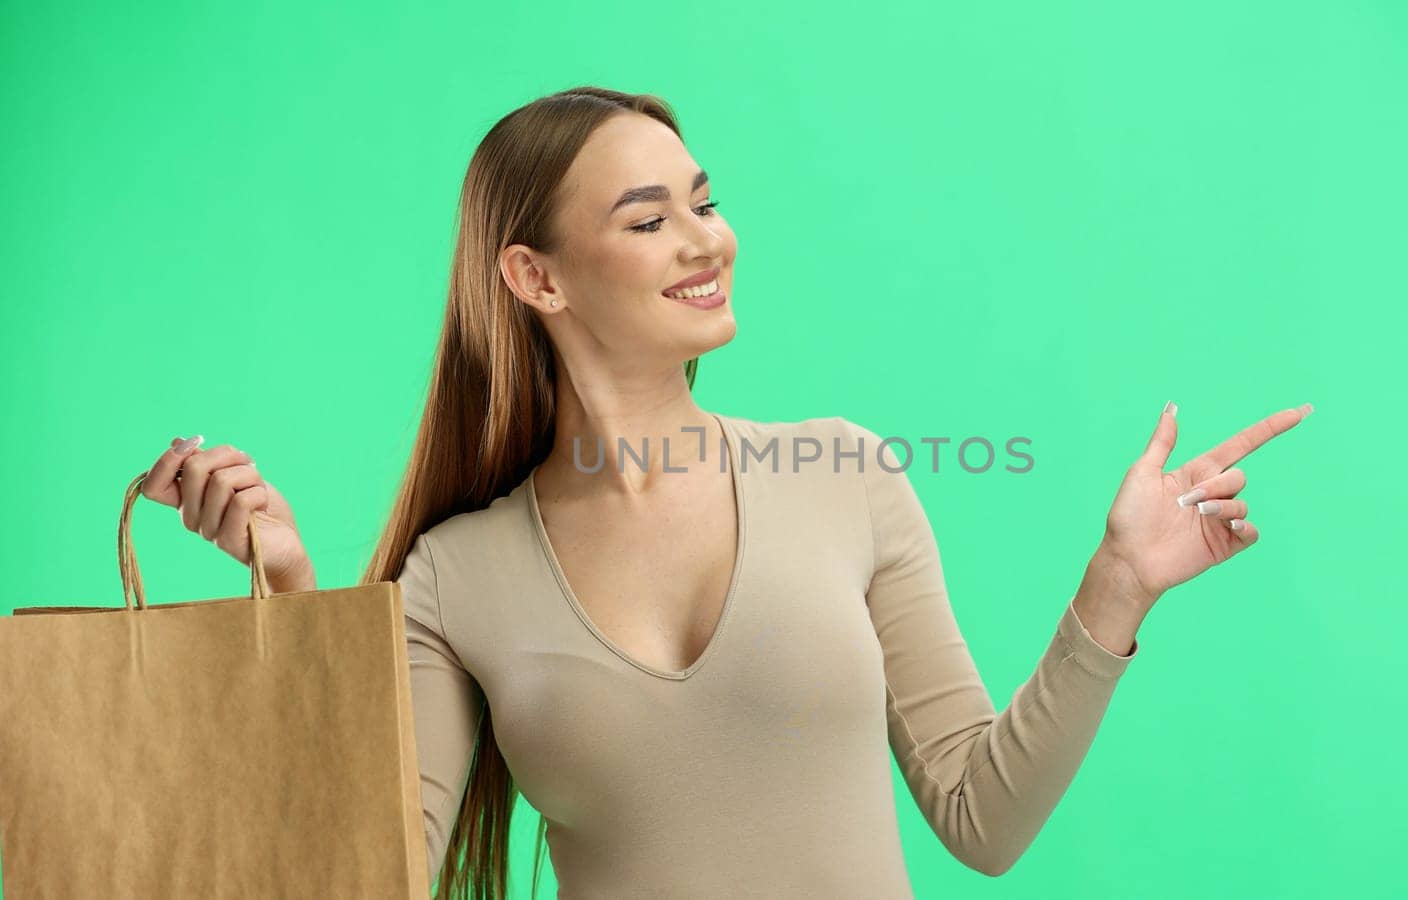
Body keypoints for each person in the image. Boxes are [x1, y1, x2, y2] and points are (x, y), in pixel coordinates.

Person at [137, 86, 1313, 899]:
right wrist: (292, 599)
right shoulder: (458, 571)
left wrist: (1117, 588)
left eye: (703, 201)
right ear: (533, 275)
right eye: (650, 220)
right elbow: (373, 879)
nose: (707, 241)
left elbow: (979, 816)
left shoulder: (845, 475)